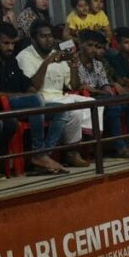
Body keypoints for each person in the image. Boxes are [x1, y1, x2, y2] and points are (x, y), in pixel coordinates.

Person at [0, 21, 73, 174]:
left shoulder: (11, 60)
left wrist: (32, 90)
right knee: (36, 100)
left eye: (13, 44)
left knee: (62, 110)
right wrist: (24, 95)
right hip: (0, 107)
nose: (10, 47)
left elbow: (26, 84)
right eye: (5, 43)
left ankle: (43, 155)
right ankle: (38, 152)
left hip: (21, 105)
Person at [15, 18, 92, 167]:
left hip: (60, 98)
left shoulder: (58, 54)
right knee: (69, 110)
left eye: (50, 36)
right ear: (33, 39)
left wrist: (74, 66)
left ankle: (69, 152)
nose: (48, 40)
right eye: (43, 36)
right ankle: (49, 155)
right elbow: (32, 88)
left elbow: (73, 85)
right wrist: (48, 61)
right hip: (39, 100)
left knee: (89, 104)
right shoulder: (24, 56)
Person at [75, 29, 129, 158]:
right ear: (80, 44)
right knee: (114, 106)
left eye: (96, 46)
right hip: (88, 102)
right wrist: (98, 91)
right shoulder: (75, 63)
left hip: (103, 98)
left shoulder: (98, 64)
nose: (94, 50)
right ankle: (120, 148)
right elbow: (81, 89)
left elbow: (105, 87)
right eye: (90, 45)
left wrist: (97, 90)